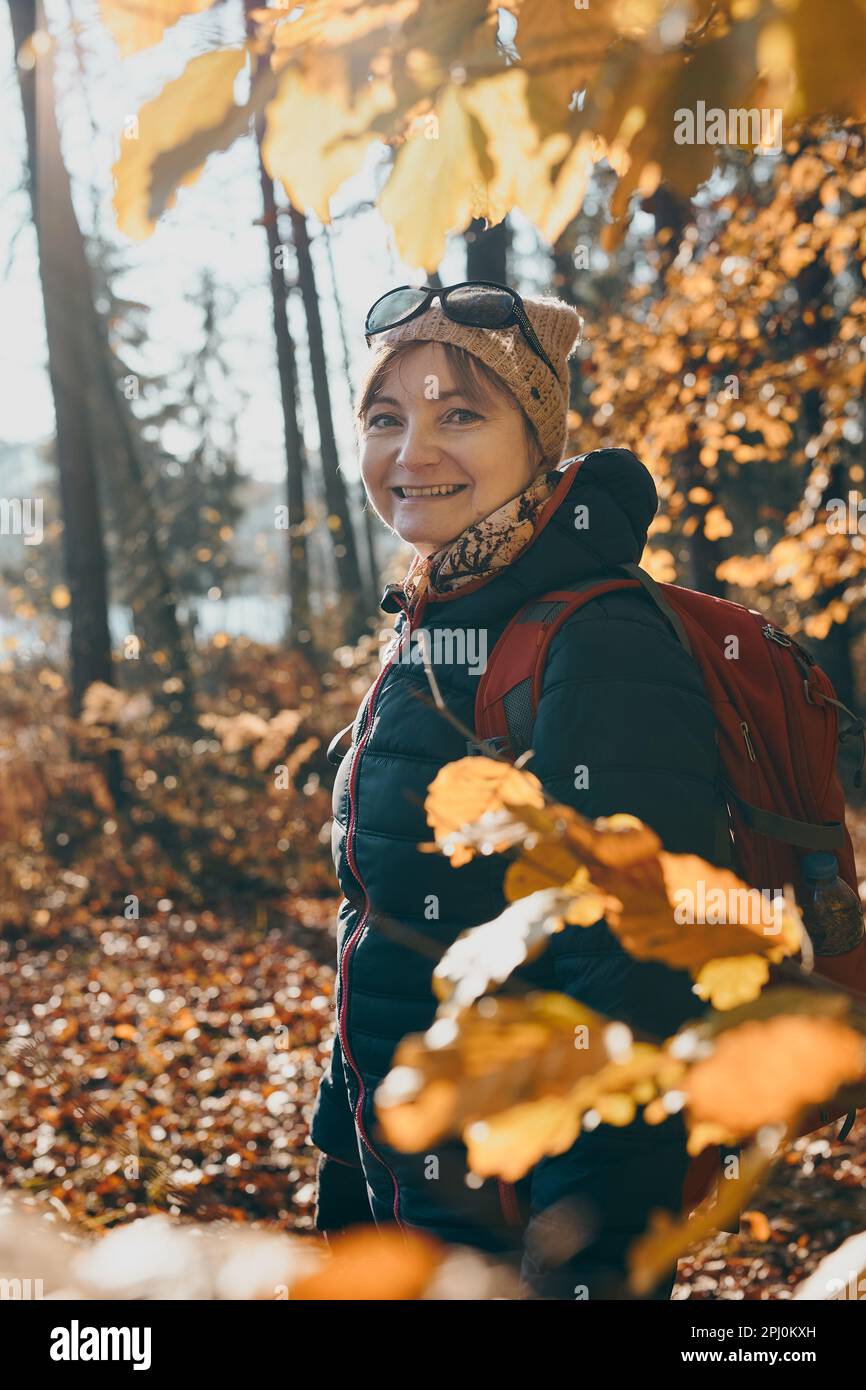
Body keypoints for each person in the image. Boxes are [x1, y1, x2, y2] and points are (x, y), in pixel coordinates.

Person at [310, 281, 731, 1299]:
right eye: (385, 416)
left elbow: (632, 982)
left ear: (537, 440)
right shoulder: (434, 616)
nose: (412, 450)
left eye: (460, 412)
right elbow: (384, 919)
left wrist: (583, 1265)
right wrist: (343, 1168)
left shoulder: (597, 640)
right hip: (407, 1201)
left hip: (523, 1235)